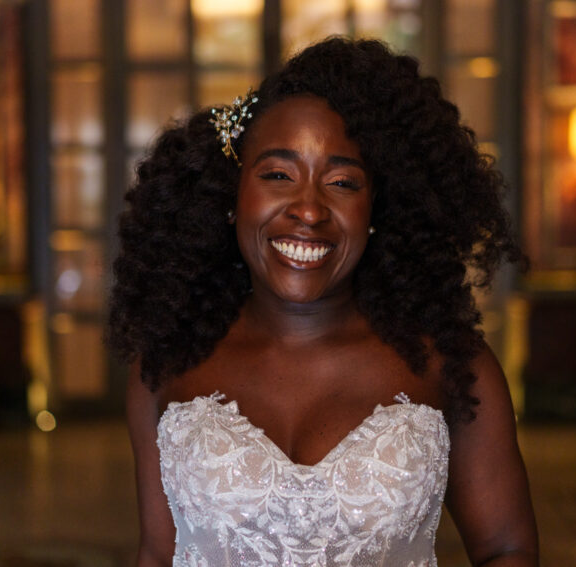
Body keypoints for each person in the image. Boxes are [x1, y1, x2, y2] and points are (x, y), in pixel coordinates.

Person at [108, 37, 538, 567]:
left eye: (341, 182)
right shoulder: (168, 362)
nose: (309, 210)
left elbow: (506, 549)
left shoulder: (451, 365)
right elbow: (157, 554)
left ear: (377, 206)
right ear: (231, 193)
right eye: (277, 175)